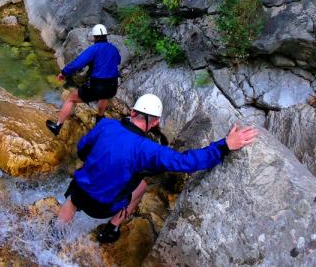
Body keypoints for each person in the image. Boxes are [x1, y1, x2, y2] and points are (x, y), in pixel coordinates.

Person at [53, 94, 258, 244]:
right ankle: (111, 229)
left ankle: (56, 235)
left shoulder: (105, 125)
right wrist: (224, 145)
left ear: (132, 112)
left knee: (73, 198)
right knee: (141, 186)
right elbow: (186, 162)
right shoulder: (150, 150)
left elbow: (82, 149)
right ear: (156, 122)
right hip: (104, 207)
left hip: (81, 193)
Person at [46, 24, 120, 136]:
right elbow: (118, 61)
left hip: (97, 85)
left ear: (95, 37)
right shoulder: (113, 49)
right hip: (112, 86)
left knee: (71, 98)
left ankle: (57, 126)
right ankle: (99, 118)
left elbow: (78, 63)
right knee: (104, 96)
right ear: (106, 36)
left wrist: (64, 73)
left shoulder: (94, 49)